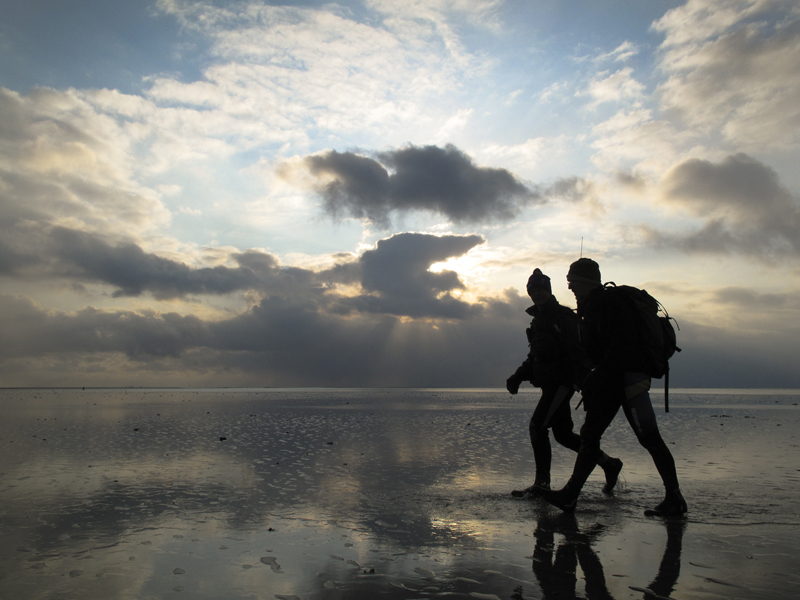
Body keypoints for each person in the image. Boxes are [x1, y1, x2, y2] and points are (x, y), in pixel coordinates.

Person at [536, 258, 687, 516]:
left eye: (572, 282)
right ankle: (571, 495)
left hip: (627, 381)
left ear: (586, 282)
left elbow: (622, 345)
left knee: (648, 437)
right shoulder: (591, 306)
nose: (570, 288)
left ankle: (675, 498)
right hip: (612, 381)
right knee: (590, 435)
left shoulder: (608, 303)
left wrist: (598, 374)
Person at [506, 268, 623, 498]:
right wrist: (517, 377)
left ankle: (542, 484)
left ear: (549, 291)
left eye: (541, 290)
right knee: (563, 435)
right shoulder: (540, 319)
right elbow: (535, 356)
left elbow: (577, 351)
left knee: (537, 426)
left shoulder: (562, 316)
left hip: (562, 383)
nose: (537, 294)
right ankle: (608, 463)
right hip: (550, 383)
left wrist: (584, 383)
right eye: (534, 290)